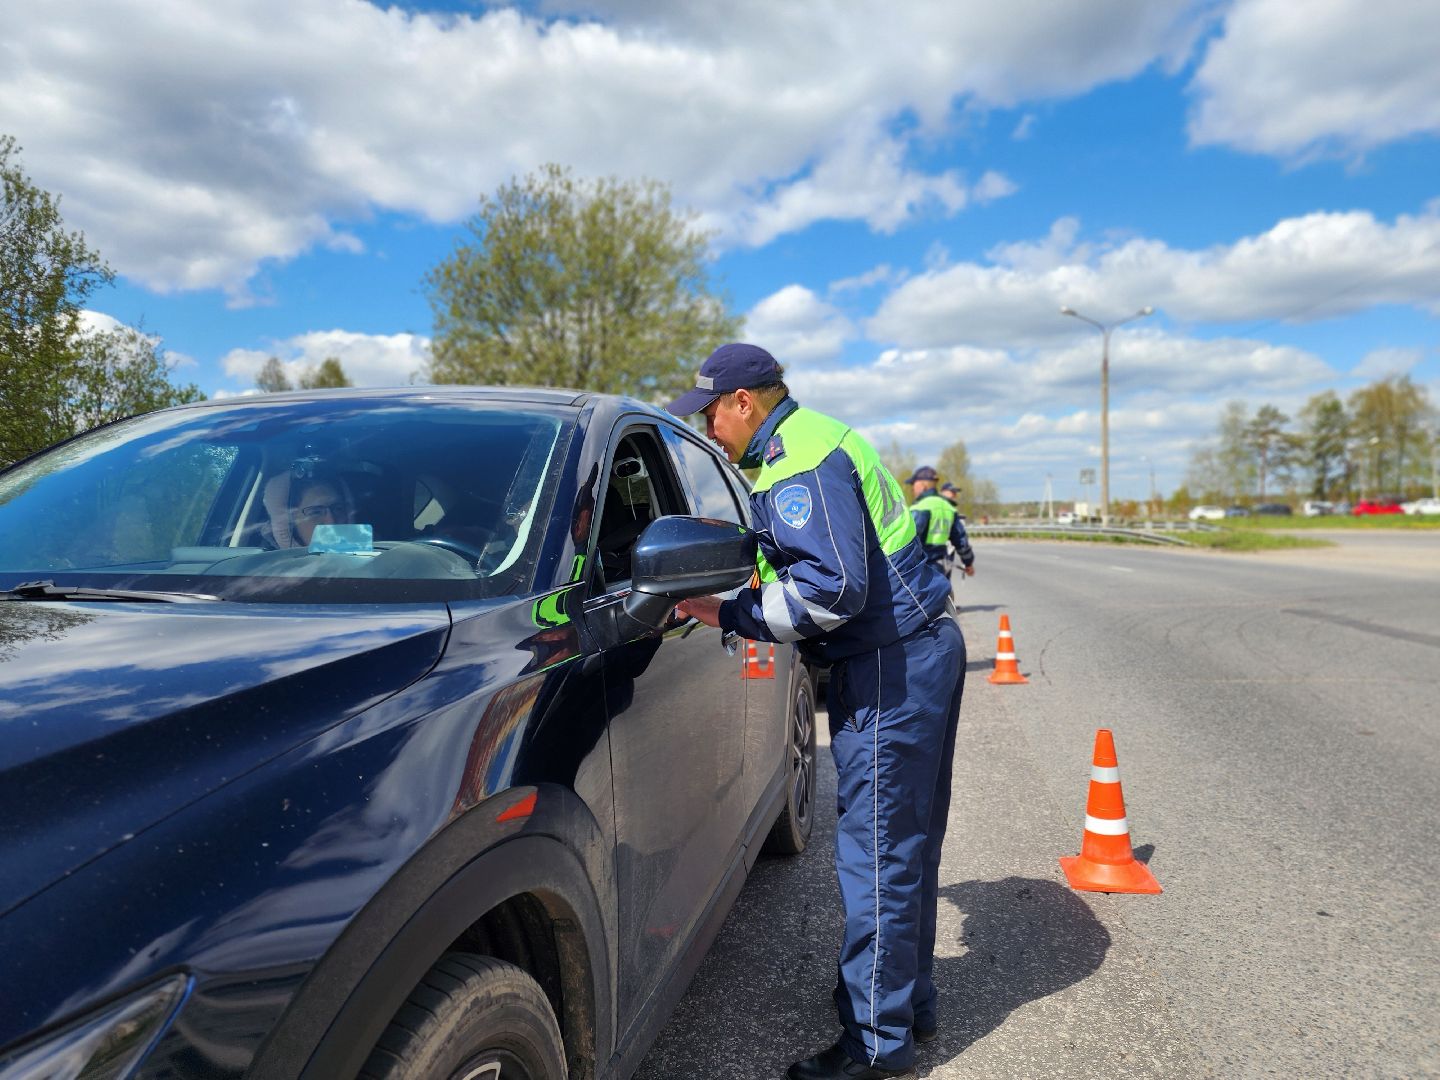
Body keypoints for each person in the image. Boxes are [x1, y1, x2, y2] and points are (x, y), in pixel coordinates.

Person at [668, 343, 966, 1080]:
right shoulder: (812, 439)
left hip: (891, 663)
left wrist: (726, 611)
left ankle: (873, 1045)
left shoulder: (796, 463)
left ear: (745, 402)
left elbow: (832, 591)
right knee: (905, 847)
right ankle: (907, 1004)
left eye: (711, 413)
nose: (709, 429)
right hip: (919, 648)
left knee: (876, 856)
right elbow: (806, 554)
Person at [905, 469, 974, 582]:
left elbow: (907, 540)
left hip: (921, 567)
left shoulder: (921, 507)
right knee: (942, 596)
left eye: (914, 485)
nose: (912, 489)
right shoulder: (949, 508)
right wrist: (968, 562)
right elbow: (961, 541)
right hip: (941, 566)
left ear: (923, 486)